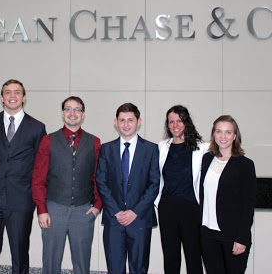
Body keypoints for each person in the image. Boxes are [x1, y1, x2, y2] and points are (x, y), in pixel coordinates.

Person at [0, 79, 47, 274]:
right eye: (8, 92)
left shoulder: (37, 127)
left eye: (17, 92)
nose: (12, 96)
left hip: (21, 201)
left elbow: (40, 168)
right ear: (2, 97)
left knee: (20, 256)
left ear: (24, 97)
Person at [32, 96, 102, 274]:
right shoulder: (48, 140)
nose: (73, 113)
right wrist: (42, 209)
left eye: (77, 109)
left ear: (83, 114)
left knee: (82, 264)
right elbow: (38, 177)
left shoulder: (94, 142)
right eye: (68, 109)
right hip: (54, 209)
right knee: (50, 262)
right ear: (63, 113)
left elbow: (98, 177)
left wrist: (97, 207)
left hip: (83, 210)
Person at [96, 103, 160, 274]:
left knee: (139, 269)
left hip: (140, 220)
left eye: (130, 120)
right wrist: (117, 211)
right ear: (115, 122)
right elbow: (100, 182)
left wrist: (134, 212)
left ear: (138, 121)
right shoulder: (106, 149)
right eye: (122, 120)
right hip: (113, 220)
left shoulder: (151, 149)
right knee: (114, 269)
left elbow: (154, 185)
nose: (126, 124)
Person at [155, 105, 208, 274]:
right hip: (167, 208)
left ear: (186, 122)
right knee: (170, 259)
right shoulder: (162, 146)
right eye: (171, 121)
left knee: (193, 258)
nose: (175, 125)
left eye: (179, 120)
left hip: (191, 208)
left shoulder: (202, 148)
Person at [199, 115, 256, 274]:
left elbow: (248, 204)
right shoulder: (207, 159)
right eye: (219, 131)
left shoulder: (245, 165)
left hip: (233, 236)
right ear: (213, 134)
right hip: (208, 234)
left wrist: (242, 238)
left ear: (235, 136)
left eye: (228, 132)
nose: (223, 136)